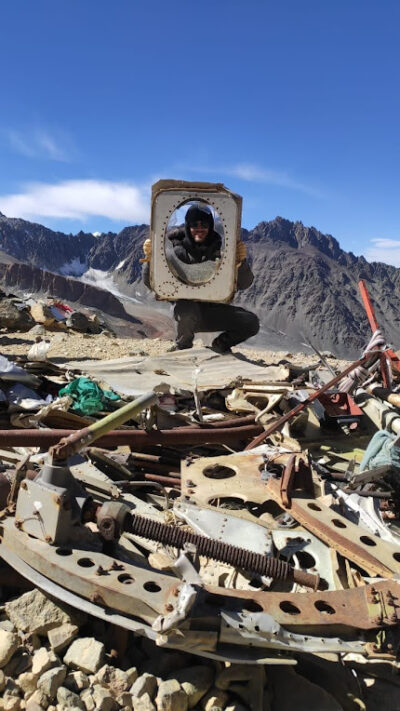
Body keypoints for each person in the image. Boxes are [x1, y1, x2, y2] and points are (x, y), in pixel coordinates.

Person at [142, 203, 259, 354]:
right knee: (186, 311)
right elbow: (150, 283)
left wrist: (240, 262)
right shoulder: (173, 252)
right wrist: (150, 260)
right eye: (194, 224)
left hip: (214, 311)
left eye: (204, 224)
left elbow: (245, 283)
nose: (199, 228)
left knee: (250, 322)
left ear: (210, 226)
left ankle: (220, 345)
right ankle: (182, 348)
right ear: (187, 226)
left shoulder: (222, 252)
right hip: (186, 312)